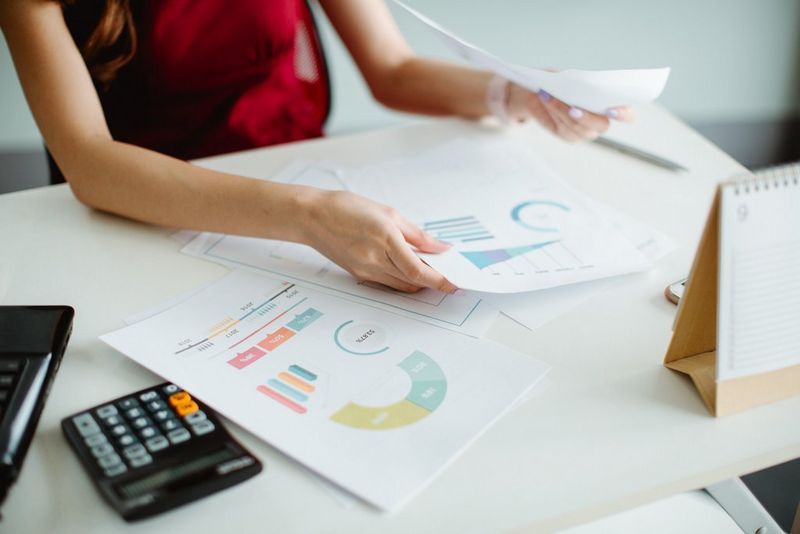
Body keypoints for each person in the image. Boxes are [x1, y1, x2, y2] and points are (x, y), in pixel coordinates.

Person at [0, 0, 629, 293]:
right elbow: (87, 161)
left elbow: (392, 68)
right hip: (147, 215)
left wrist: (515, 93)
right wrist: (307, 215)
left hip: (312, 188)